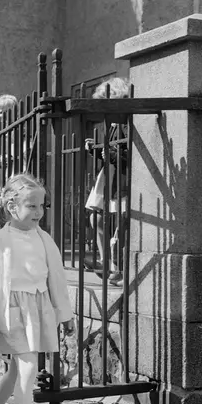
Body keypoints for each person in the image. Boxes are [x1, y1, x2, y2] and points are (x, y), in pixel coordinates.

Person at [0, 173, 74, 404]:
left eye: (41, 206)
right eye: (32, 206)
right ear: (11, 207)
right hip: (11, 311)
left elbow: (56, 278)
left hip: (37, 308)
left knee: (18, 368)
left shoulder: (44, 239)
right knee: (28, 367)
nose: (39, 212)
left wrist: (65, 314)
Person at [84, 77, 130, 286]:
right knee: (98, 220)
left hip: (123, 179)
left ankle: (118, 269)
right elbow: (110, 151)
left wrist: (109, 154)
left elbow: (131, 155)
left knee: (121, 226)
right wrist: (96, 149)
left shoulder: (128, 121)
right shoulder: (113, 123)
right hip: (111, 177)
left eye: (105, 103)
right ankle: (108, 264)